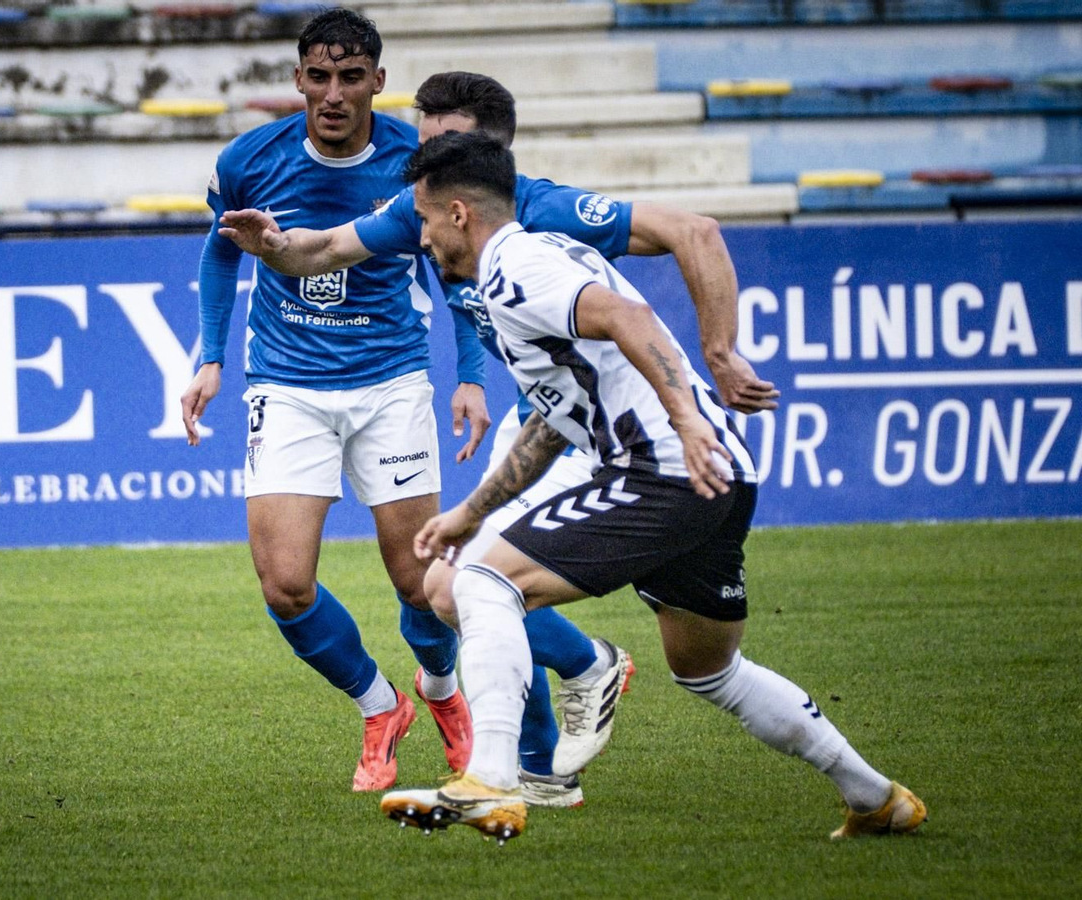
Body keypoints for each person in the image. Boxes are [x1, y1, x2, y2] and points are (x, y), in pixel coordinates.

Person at [216, 70, 781, 806]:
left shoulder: (543, 208)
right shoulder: (418, 207)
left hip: (609, 431)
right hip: (549, 418)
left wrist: (719, 352)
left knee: (469, 583)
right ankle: (543, 764)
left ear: (492, 151)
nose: (422, 166)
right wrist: (275, 248)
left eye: (443, 148)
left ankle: (558, 700)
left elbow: (692, 231)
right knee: (457, 586)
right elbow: (319, 253)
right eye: (421, 148)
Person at [379, 131, 925, 844]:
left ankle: (492, 778)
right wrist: (470, 511)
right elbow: (555, 417)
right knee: (710, 670)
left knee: (475, 583)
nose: (420, 240)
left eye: (423, 221)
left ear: (458, 213)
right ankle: (876, 797)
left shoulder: (515, 265)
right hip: (713, 475)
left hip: (664, 466)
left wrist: (686, 422)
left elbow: (630, 319)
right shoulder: (532, 265)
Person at [178, 9, 492, 792]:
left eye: (351, 77)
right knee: (285, 584)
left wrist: (473, 374)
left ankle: (444, 692)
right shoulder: (249, 159)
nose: (333, 93)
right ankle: (380, 706)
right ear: (298, 80)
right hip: (286, 385)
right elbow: (221, 255)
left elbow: (457, 268)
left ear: (377, 83)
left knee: (421, 580)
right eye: (318, 76)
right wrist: (211, 358)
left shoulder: (416, 161)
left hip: (390, 382)